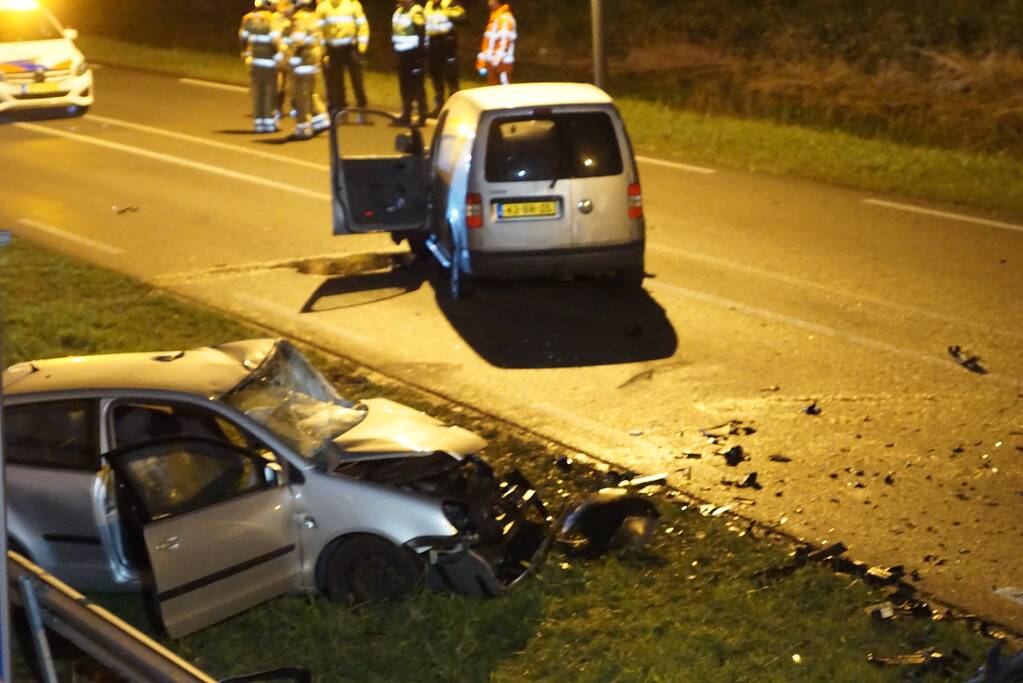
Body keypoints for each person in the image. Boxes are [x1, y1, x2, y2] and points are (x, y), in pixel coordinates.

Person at [279, 0, 331, 138]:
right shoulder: (314, 17)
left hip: (302, 62)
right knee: (309, 93)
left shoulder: (299, 19)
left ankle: (303, 129)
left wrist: (288, 56)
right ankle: (321, 121)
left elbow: (298, 41)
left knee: (299, 97)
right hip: (313, 61)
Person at [316, 0, 370, 119]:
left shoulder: (352, 5)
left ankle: (363, 110)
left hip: (350, 49)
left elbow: (363, 26)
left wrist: (361, 47)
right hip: (333, 50)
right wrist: (323, 51)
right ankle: (341, 112)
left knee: (357, 81)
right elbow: (319, 32)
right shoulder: (323, 7)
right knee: (336, 83)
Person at [239, 0, 280, 132]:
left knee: (257, 92)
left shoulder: (248, 18)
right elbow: (276, 41)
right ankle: (269, 123)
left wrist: (245, 53)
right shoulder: (273, 19)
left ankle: (258, 123)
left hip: (255, 60)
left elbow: (242, 37)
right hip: (269, 61)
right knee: (269, 91)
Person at [423, 0, 465, 116]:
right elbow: (426, 26)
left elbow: (462, 18)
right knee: (436, 76)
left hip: (447, 43)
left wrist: (449, 13)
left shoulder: (449, 4)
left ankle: (454, 109)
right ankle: (439, 106)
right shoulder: (429, 5)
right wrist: (425, 45)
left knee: (451, 77)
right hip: (433, 44)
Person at [391, 0, 428, 126]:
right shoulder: (399, 12)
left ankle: (422, 115)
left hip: (414, 55)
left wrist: (420, 57)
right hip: (402, 55)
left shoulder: (416, 11)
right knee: (404, 86)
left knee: (417, 86)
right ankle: (406, 114)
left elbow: (421, 34)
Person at [476, 0, 516, 85]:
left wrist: (498, 57)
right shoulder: (495, 17)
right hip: (493, 60)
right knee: (493, 87)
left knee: (503, 87)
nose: (489, 3)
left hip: (500, 62)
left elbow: (505, 39)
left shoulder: (504, 18)